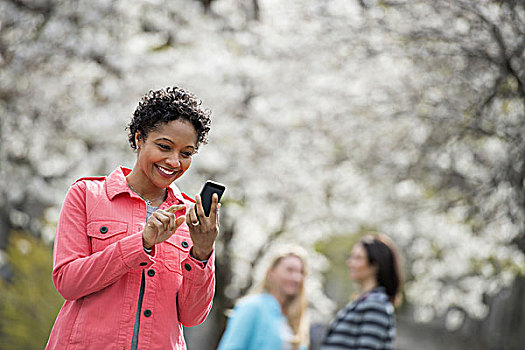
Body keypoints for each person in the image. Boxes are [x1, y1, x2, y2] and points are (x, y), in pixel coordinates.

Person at [46, 86, 220, 350]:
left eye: (186, 153)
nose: (174, 161)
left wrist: (203, 252)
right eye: (164, 146)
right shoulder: (86, 195)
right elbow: (68, 283)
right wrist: (140, 243)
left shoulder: (190, 219)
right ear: (139, 138)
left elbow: (192, 316)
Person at [218, 245, 310, 350]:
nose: (296, 277)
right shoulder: (252, 307)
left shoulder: (297, 318)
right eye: (289, 270)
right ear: (272, 272)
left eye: (301, 272)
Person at [321, 234, 403, 350]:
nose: (350, 263)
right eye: (351, 257)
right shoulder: (363, 302)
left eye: (358, 258)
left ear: (375, 265)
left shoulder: (376, 305)